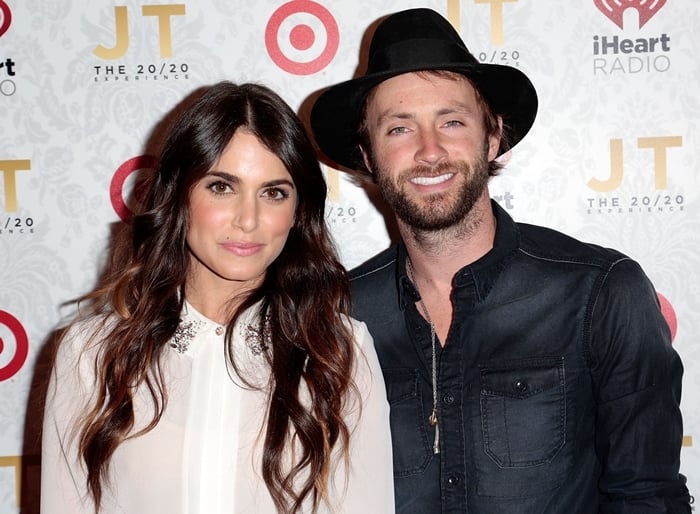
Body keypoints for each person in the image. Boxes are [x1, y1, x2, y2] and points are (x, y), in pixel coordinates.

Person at [309, 8, 691, 513]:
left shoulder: (599, 293)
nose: (429, 150)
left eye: (452, 121)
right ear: (368, 154)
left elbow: (649, 498)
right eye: (399, 129)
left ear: (493, 138)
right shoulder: (335, 314)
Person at [41, 81, 394, 514]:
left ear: (298, 211)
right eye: (221, 187)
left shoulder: (339, 353)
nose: (248, 219)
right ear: (179, 195)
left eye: (274, 192)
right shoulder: (90, 353)